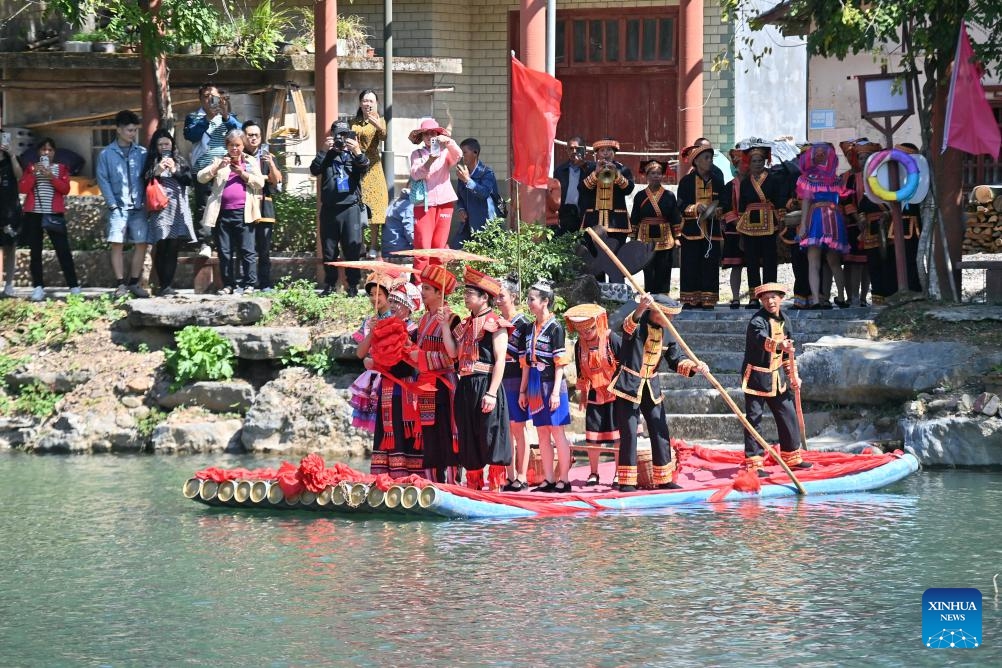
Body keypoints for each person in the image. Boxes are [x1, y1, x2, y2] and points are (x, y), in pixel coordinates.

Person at [609, 293, 706, 491]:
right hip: (629, 384)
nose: (671, 319)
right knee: (629, 432)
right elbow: (626, 329)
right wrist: (640, 308)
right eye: (667, 315)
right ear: (655, 312)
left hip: (651, 386)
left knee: (660, 427)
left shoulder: (668, 331)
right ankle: (627, 481)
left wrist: (694, 367)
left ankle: (664, 478)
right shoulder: (638, 321)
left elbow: (675, 359)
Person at [440, 266, 512, 491]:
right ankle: (474, 486)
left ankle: (496, 488)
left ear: (484, 297)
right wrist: (444, 326)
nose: (465, 297)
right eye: (465, 293)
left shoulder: (496, 323)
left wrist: (491, 393)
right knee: (468, 434)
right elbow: (453, 353)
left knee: (490, 433)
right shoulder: (465, 324)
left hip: (486, 383)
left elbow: (500, 360)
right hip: (466, 384)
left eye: (469, 293)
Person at [740, 282, 813, 477]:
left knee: (788, 413)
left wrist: (793, 375)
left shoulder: (786, 320)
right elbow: (763, 340)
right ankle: (755, 463)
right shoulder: (756, 322)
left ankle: (792, 457)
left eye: (773, 297)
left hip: (777, 376)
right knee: (754, 419)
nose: (770, 301)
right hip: (756, 377)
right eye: (765, 298)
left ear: (781, 298)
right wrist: (780, 345)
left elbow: (788, 354)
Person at [519, 280, 573, 493]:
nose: (528, 302)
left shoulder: (556, 327)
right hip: (534, 382)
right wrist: (523, 390)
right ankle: (549, 479)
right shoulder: (529, 328)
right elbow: (525, 363)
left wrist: (556, 393)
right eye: (528, 299)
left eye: (532, 299)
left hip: (552, 382)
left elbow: (560, 363)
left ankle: (564, 479)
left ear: (545, 302)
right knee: (541, 431)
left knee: (557, 431)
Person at [197, 129, 265, 295]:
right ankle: (228, 285)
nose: (234, 148)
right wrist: (217, 167)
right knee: (225, 251)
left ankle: (249, 284)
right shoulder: (219, 160)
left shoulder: (250, 161)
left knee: (247, 251)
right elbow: (201, 177)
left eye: (238, 145)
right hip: (222, 214)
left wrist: (242, 173)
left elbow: (260, 183)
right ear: (226, 146)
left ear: (243, 145)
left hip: (244, 212)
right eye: (231, 145)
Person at [367, 281, 423, 478]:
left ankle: (410, 475)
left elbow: (419, 361)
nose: (392, 305)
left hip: (408, 386)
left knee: (405, 429)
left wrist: (405, 345)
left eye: (397, 302)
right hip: (387, 387)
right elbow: (368, 354)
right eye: (391, 301)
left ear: (408, 307)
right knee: (388, 429)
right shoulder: (383, 326)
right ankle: (386, 475)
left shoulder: (415, 330)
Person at [411, 264, 461, 483]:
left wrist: (422, 357)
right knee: (429, 434)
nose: (422, 292)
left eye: (427, 289)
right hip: (425, 384)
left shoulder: (453, 319)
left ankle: (452, 483)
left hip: (444, 384)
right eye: (422, 287)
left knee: (446, 433)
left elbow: (454, 356)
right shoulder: (423, 319)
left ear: (440, 293)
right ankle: (432, 482)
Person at [310, 120, 370, 296]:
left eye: (344, 135)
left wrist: (357, 151)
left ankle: (352, 286)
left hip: (350, 208)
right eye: (338, 135)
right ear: (332, 135)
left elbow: (365, 168)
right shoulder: (327, 154)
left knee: (352, 249)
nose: (341, 139)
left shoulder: (354, 154)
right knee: (329, 250)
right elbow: (314, 170)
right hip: (330, 209)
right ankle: (330, 285)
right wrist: (323, 151)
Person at [564, 303, 621, 487]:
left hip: (616, 394)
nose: (585, 335)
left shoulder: (612, 339)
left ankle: (619, 473)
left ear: (598, 324)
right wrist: (583, 394)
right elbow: (581, 372)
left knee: (618, 437)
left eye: (588, 330)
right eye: (581, 332)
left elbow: (625, 364)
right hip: (595, 394)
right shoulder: (579, 346)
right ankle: (594, 472)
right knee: (592, 437)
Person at [18, 138, 80, 301]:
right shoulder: (31, 168)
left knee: (63, 250)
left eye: (50, 150)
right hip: (34, 214)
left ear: (54, 152)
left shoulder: (61, 168)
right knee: (35, 251)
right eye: (43, 149)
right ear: (39, 152)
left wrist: (51, 176)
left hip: (54, 214)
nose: (47, 152)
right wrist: (34, 174)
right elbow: (23, 188)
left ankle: (74, 286)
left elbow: (65, 189)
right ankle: (38, 287)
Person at [96, 110, 149, 298]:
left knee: (141, 243)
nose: (132, 134)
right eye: (129, 130)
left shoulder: (142, 152)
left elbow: (147, 178)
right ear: (118, 130)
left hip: (138, 206)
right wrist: (112, 204)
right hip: (118, 207)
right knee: (117, 244)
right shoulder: (106, 154)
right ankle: (120, 285)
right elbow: (103, 180)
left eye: (134, 130)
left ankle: (134, 283)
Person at [185, 83, 242, 255]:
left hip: (225, 168)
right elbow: (191, 135)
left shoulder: (228, 116)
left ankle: (223, 242)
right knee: (204, 206)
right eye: (206, 96)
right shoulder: (194, 117)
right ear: (200, 99)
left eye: (214, 96)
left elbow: (240, 133)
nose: (210, 100)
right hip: (203, 168)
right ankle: (205, 243)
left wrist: (225, 116)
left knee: (225, 204)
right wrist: (207, 118)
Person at [143, 129, 196, 297]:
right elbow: (143, 181)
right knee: (161, 244)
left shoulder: (179, 160)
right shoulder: (151, 161)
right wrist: (156, 171)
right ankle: (162, 285)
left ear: (172, 144)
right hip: (160, 209)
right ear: (155, 146)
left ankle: (168, 285)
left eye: (166, 143)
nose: (163, 147)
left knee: (173, 246)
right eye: (160, 144)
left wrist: (174, 170)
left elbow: (188, 180)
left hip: (177, 208)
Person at [796, 142, 849, 309]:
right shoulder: (835, 179)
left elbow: (806, 202)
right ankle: (832, 298)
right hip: (828, 217)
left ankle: (825, 298)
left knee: (823, 260)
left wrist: (804, 225)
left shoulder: (812, 179)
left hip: (822, 217)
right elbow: (806, 202)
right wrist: (803, 224)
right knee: (826, 261)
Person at [408, 117, 462, 277]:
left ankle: (435, 284)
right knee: (423, 247)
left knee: (439, 247)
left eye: (433, 133)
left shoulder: (445, 152)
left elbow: (458, 156)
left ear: (438, 135)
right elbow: (416, 174)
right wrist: (430, 161)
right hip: (423, 204)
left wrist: (449, 142)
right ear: (421, 136)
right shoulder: (417, 154)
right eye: (426, 134)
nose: (430, 137)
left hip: (446, 203)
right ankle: (419, 284)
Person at [736, 145, 788, 307]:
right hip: (750, 224)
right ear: (749, 163)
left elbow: (779, 200)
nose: (757, 164)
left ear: (765, 162)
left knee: (769, 259)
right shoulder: (745, 182)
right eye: (754, 161)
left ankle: (769, 294)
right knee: (751, 260)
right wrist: (740, 226)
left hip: (769, 222)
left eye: (760, 161)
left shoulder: (773, 179)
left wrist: (781, 220)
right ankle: (753, 296)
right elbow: (742, 206)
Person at [676, 143, 724, 309]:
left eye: (711, 158)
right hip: (691, 231)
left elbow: (725, 203)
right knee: (690, 264)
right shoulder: (686, 182)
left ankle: (708, 299)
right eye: (706, 158)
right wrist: (696, 208)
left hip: (712, 230)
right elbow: (680, 205)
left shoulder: (718, 181)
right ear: (696, 161)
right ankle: (690, 298)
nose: (710, 161)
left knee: (710, 264)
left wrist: (716, 210)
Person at [496, 276, 531, 492]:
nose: (498, 300)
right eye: (497, 296)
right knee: (505, 428)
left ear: (514, 297)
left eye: (502, 296)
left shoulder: (523, 324)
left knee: (518, 427)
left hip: (517, 378)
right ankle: (509, 475)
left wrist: (523, 389)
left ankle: (522, 475)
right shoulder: (496, 322)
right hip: (500, 378)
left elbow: (526, 361)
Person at [350, 272, 397, 433]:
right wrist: (371, 331)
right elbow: (360, 354)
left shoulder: (396, 321)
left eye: (379, 294)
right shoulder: (369, 321)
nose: (374, 298)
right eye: (371, 294)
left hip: (388, 379)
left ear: (389, 295)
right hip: (371, 379)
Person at [838, 139, 880, 307]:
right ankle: (853, 297)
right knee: (853, 263)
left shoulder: (878, 175)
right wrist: (857, 218)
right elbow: (846, 200)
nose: (863, 161)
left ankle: (863, 297)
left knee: (868, 263)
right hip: (853, 224)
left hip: (874, 222)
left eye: (867, 157)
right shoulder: (847, 178)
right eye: (860, 158)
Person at [242, 120, 282, 291]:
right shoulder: (238, 156)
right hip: (244, 205)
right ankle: (247, 282)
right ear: (243, 137)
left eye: (256, 135)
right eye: (249, 135)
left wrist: (271, 164)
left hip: (264, 206)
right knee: (246, 248)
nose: (253, 138)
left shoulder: (268, 157)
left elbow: (277, 181)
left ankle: (265, 282)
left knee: (264, 248)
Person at [630, 159, 680, 294]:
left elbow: (675, 217)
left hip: (665, 234)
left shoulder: (669, 195)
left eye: (659, 173)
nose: (656, 176)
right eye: (652, 173)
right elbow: (635, 217)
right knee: (648, 267)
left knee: (664, 266)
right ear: (646, 176)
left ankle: (663, 295)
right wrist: (633, 238)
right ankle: (650, 295)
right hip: (645, 235)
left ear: (662, 176)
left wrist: (677, 237)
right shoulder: (640, 196)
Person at [350, 89, 389, 260]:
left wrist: (378, 125)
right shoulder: (353, 122)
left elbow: (384, 136)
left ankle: (373, 245)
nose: (368, 104)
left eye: (371, 101)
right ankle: (359, 244)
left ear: (376, 104)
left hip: (373, 167)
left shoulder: (380, 120)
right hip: (356, 167)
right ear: (360, 103)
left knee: (375, 207)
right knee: (357, 205)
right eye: (365, 101)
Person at [887, 143, 924, 294]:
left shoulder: (921, 177)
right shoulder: (894, 175)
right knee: (893, 258)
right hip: (895, 223)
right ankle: (895, 289)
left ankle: (914, 289)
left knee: (911, 258)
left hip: (913, 225)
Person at [451, 137, 499, 249]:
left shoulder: (487, 173)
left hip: (485, 225)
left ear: (475, 153)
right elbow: (460, 197)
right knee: (455, 250)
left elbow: (484, 193)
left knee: (484, 255)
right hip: (467, 225)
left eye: (464, 153)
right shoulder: (463, 173)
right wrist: (461, 209)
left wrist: (467, 180)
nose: (461, 156)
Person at [721, 146, 748, 308]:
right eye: (742, 164)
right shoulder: (729, 186)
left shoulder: (755, 184)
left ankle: (755, 296)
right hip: (734, 229)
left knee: (753, 265)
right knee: (736, 265)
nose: (746, 166)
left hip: (754, 229)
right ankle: (736, 297)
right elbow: (726, 208)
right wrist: (738, 224)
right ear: (736, 166)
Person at [0, 131, 23, 297]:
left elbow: (19, 176)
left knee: (11, 247)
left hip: (10, 209)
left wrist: (12, 155)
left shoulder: (12, 159)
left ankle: (9, 285)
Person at [552, 136, 590, 235]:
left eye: (577, 148)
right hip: (566, 215)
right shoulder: (560, 170)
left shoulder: (591, 169)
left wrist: (583, 165)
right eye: (571, 148)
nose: (574, 151)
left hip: (585, 215)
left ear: (584, 150)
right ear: (567, 150)